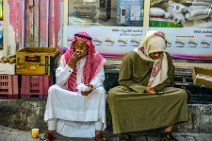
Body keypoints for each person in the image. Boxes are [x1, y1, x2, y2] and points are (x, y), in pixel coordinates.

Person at [108, 30, 189, 141]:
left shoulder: (166, 57)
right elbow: (124, 80)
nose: (157, 55)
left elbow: (168, 80)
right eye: (154, 52)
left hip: (157, 91)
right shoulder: (131, 57)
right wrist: (143, 89)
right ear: (147, 47)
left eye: (160, 52)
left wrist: (155, 89)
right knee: (113, 95)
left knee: (181, 94)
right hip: (134, 92)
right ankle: (124, 133)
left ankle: (166, 133)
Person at [44, 32, 107, 141]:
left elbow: (100, 77)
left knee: (100, 91)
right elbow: (60, 81)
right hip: (69, 91)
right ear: (73, 45)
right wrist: (71, 63)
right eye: (77, 45)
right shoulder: (66, 57)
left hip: (87, 92)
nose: (80, 48)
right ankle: (51, 131)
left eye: (83, 45)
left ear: (89, 47)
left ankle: (98, 132)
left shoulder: (96, 58)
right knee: (53, 90)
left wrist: (91, 86)